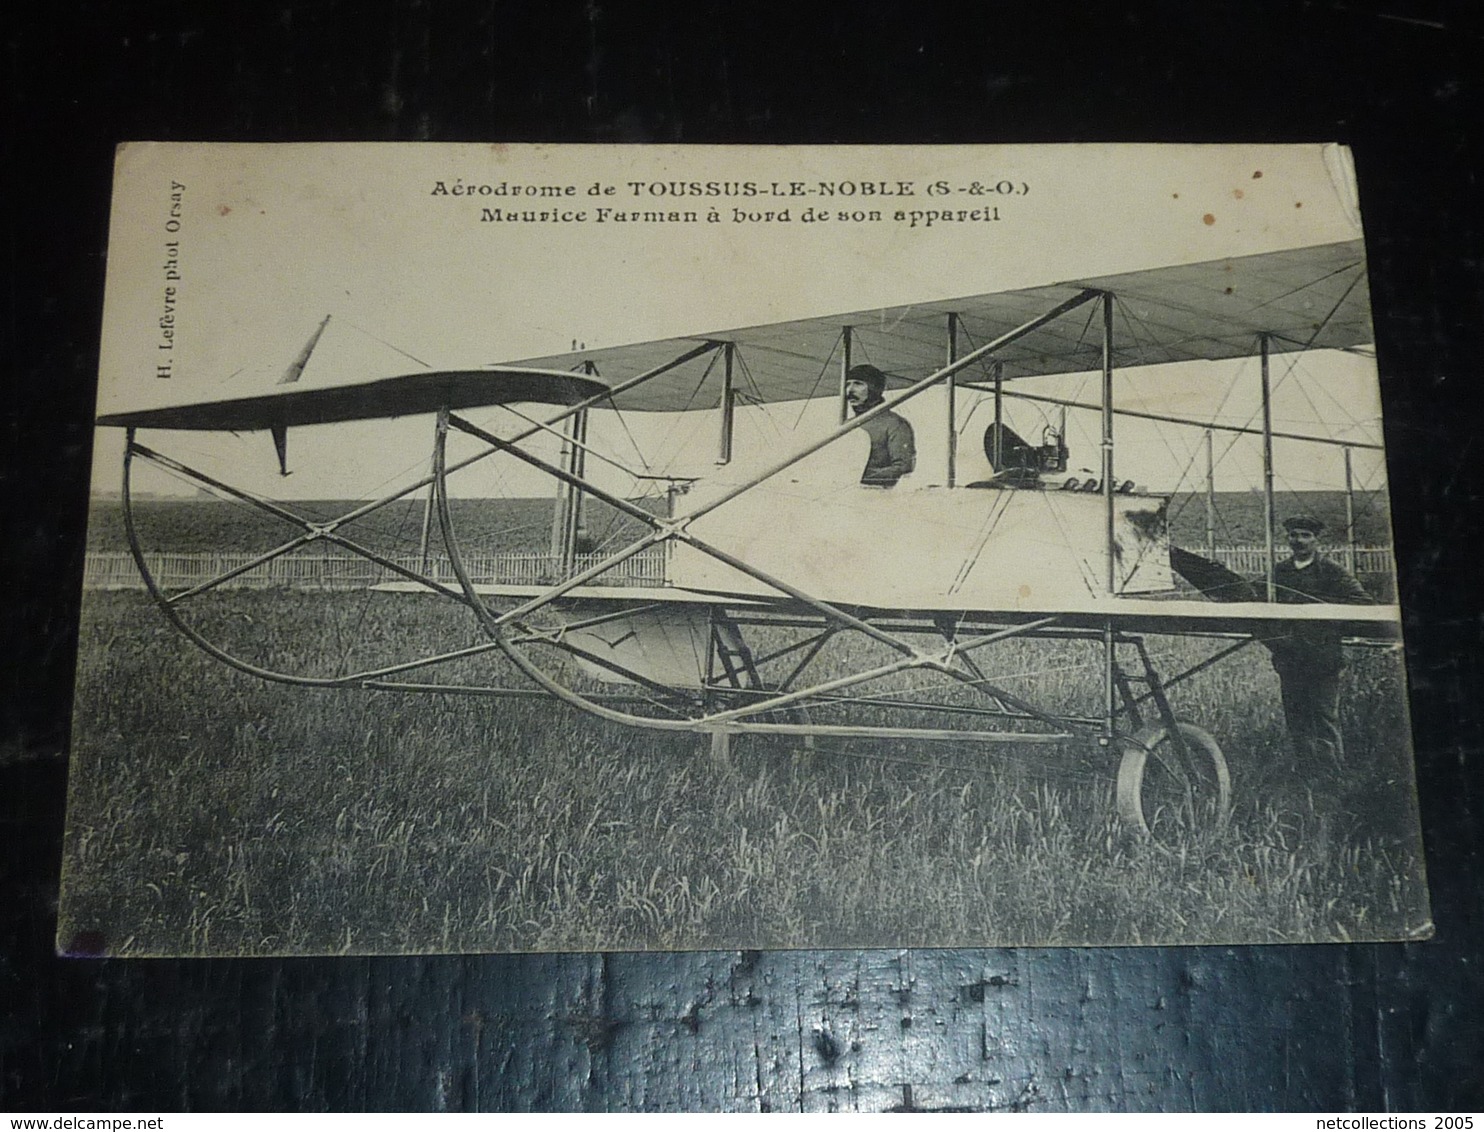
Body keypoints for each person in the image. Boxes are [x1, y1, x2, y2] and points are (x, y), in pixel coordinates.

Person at [1266, 514, 1371, 768]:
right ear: (1287, 539)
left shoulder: (1331, 571)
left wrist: (1324, 617)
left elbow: (1363, 602)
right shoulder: (1279, 572)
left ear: (1316, 540)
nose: (1299, 541)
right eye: (1294, 535)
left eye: (1305, 535)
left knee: (1324, 715)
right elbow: (1259, 603)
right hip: (1290, 656)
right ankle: (1306, 769)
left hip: (1323, 656)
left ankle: (1333, 772)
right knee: (1296, 715)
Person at [843, 364, 915, 487]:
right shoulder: (846, 425)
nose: (850, 390)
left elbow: (903, 466)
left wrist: (860, 476)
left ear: (874, 388)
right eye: (847, 384)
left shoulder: (894, 423)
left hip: (878, 494)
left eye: (858, 384)